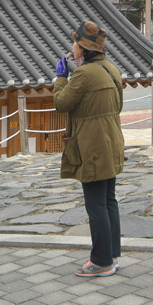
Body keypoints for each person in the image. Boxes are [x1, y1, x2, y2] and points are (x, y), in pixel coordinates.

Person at [52, 21, 126, 278]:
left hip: (92, 145)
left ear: (83, 47)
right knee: (108, 200)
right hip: (111, 141)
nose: (72, 46)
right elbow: (118, 106)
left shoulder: (84, 74)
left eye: (75, 43)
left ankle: (101, 261)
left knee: (95, 205)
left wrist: (61, 78)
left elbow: (61, 103)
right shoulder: (111, 68)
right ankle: (111, 254)